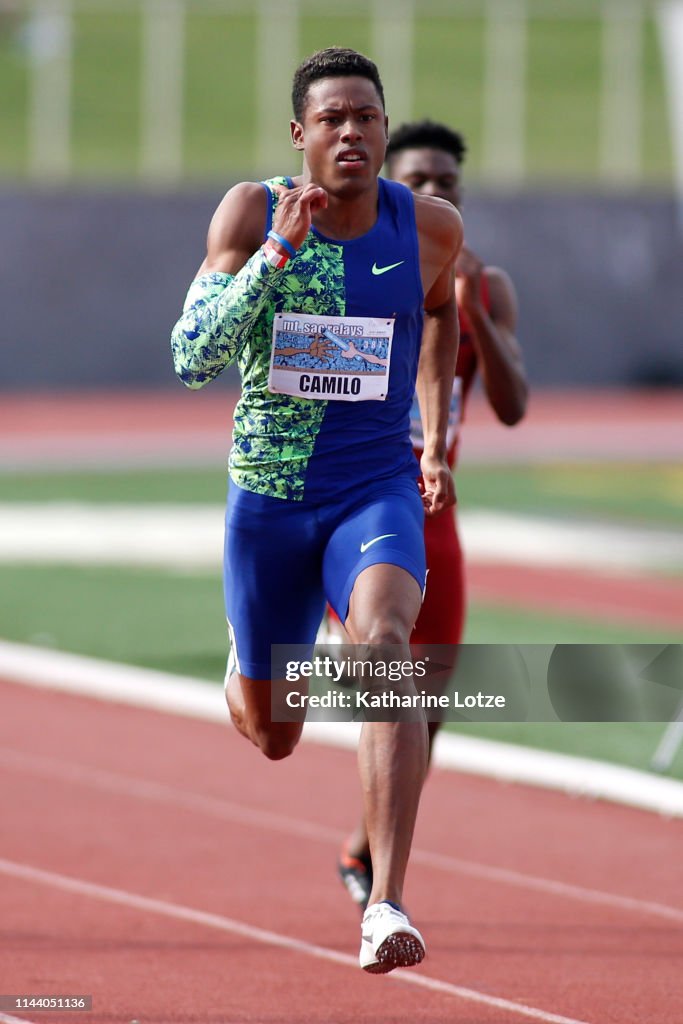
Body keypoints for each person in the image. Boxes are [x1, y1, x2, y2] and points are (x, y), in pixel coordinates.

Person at [170, 50, 463, 973]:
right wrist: (276, 256)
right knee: (274, 734)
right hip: (268, 499)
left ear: (384, 127)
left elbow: (438, 318)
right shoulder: (251, 212)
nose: (352, 133)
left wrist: (433, 434)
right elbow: (190, 355)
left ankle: (385, 903)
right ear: (300, 135)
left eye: (367, 118)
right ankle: (245, 659)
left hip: (371, 486)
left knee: (385, 651)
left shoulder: (429, 228)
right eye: (332, 119)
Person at [334, 119, 528, 911]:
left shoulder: (486, 285)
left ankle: (361, 842)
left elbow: (512, 407)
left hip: (432, 509)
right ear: (388, 181)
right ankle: (384, 890)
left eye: (448, 182)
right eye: (418, 180)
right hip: (352, 499)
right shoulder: (352, 266)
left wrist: (467, 307)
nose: (434, 193)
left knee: (431, 704)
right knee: (387, 678)